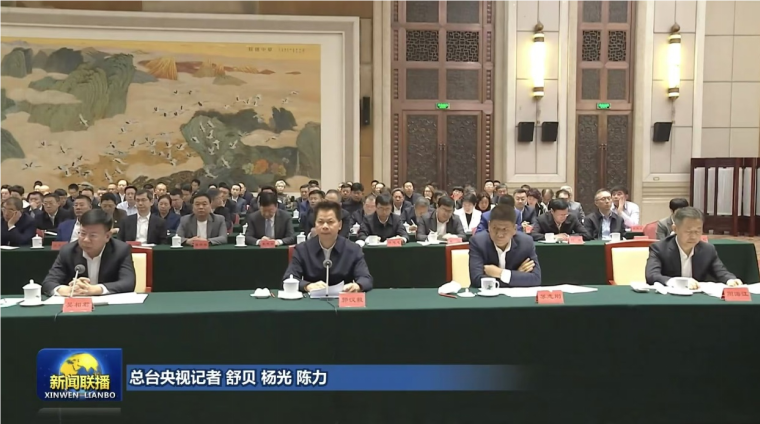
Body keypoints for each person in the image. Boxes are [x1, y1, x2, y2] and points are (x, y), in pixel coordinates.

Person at [41, 209, 136, 296]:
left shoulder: (121, 250)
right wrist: (66, 290)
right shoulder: (68, 251)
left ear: (107, 236)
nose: (86, 240)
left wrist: (96, 289)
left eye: (93, 235)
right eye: (82, 233)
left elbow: (128, 282)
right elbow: (48, 282)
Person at [283, 200, 372, 293]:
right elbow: (288, 278)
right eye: (320, 222)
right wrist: (307, 286)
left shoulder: (353, 249)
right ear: (315, 224)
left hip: (343, 298)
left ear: (340, 225)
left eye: (330, 222)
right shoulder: (302, 249)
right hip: (312, 299)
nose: (325, 226)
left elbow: (366, 278)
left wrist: (358, 285)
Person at [645, 207, 742, 287]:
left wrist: (730, 280)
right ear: (675, 229)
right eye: (688, 231)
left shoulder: (707, 250)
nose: (694, 236)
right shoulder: (660, 248)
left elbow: (721, 272)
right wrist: (678, 282)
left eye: (698, 231)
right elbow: (652, 275)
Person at [468, 205, 541, 288]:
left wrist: (501, 273)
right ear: (489, 226)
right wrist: (516, 276)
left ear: (514, 229)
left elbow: (536, 279)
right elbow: (477, 280)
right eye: (495, 228)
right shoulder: (478, 242)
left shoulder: (526, 243)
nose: (499, 234)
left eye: (505, 229)